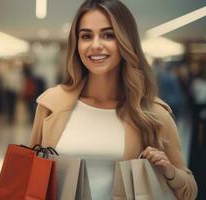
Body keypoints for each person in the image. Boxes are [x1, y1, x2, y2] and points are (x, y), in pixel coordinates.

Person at [29, 0, 197, 199]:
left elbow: (189, 191)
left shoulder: (153, 113)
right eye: (86, 36)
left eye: (108, 35)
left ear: (126, 41)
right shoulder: (51, 104)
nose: (96, 45)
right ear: (77, 43)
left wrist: (169, 172)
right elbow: (32, 178)